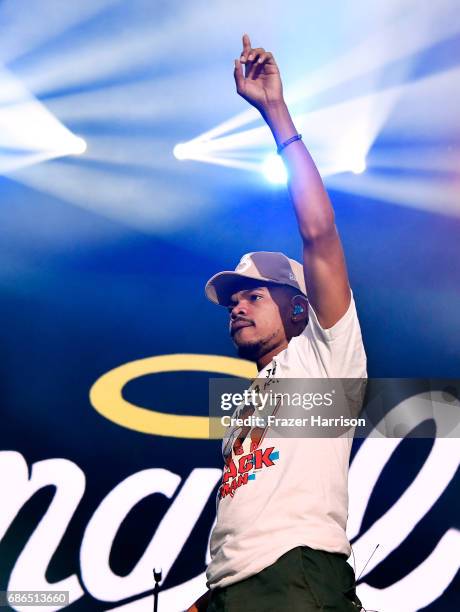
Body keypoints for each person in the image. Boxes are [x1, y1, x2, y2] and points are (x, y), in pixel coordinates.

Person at [187, 34, 367, 612]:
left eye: (253, 296)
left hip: (295, 579)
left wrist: (275, 114)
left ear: (297, 307)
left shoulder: (323, 358)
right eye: (232, 300)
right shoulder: (249, 402)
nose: (236, 306)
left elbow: (319, 233)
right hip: (233, 590)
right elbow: (248, 519)